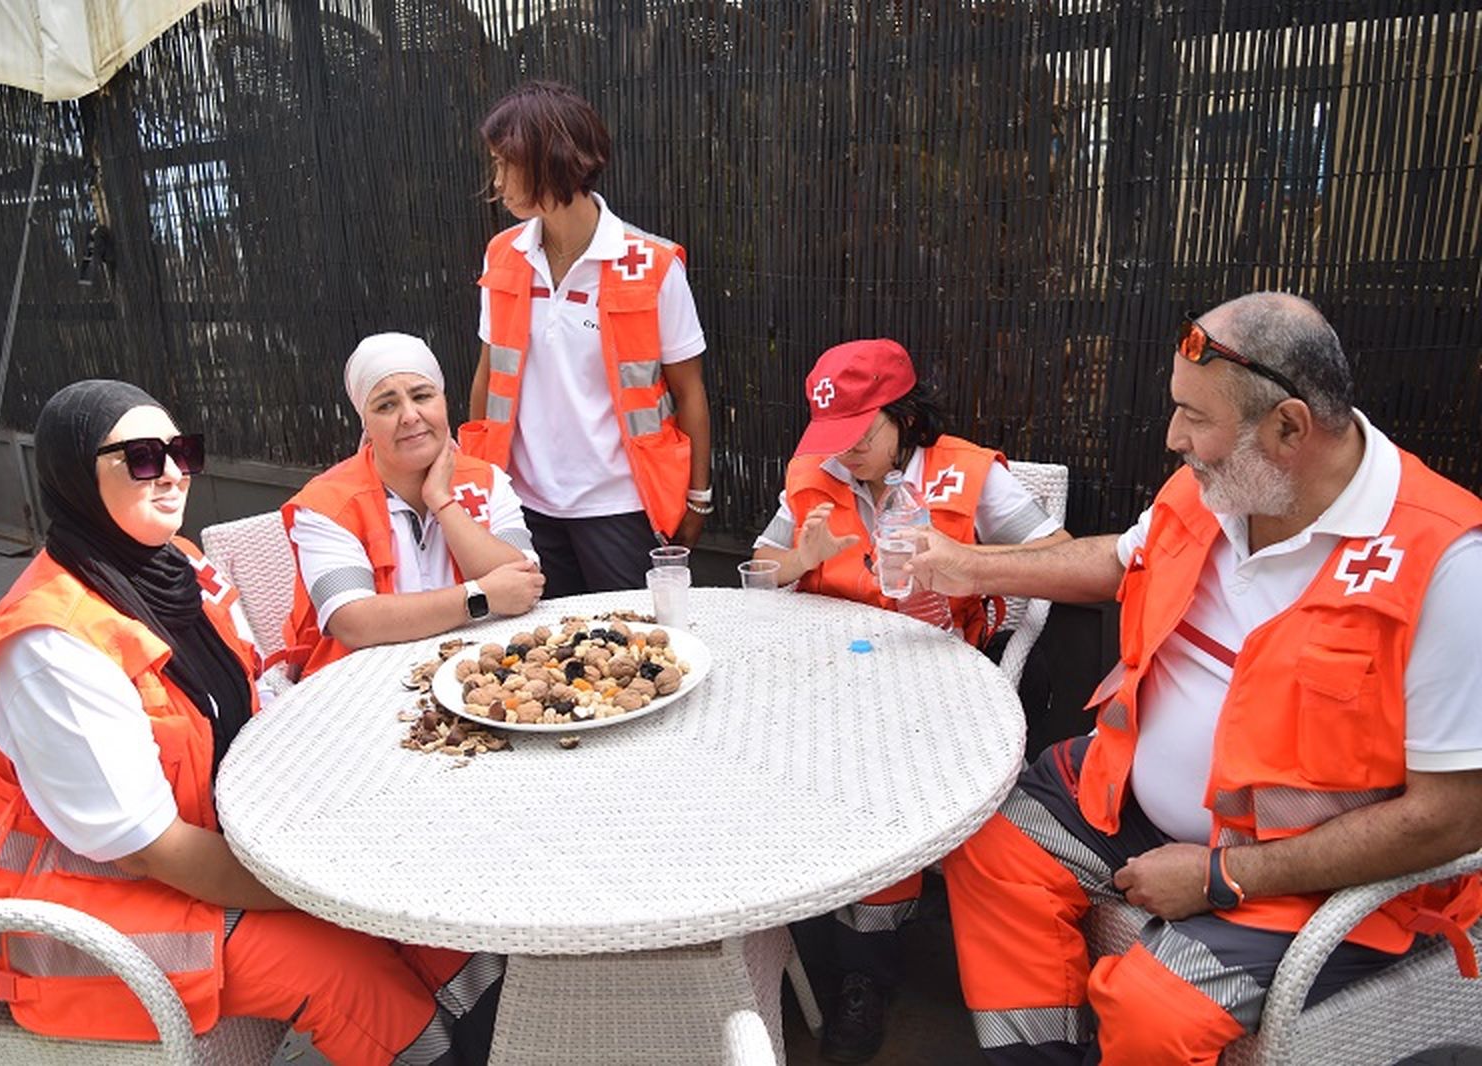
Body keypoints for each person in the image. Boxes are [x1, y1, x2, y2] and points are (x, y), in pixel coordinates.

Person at [910, 292, 1482, 1064]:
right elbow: (1116, 561)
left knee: (1154, 1010)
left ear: (1288, 427)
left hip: (1300, 873)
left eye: (1195, 417)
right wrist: (969, 565)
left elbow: (1450, 819)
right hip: (1125, 798)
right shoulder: (1219, 489)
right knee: (988, 844)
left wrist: (1222, 875)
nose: (1174, 437)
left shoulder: (1446, 565)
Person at [0, 380, 501, 1064]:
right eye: (142, 457)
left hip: (209, 847)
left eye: (181, 450)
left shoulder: (178, 568)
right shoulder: (51, 650)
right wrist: (321, 889)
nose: (171, 473)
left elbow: (249, 708)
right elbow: (150, 849)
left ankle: (498, 1043)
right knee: (343, 969)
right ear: (76, 472)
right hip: (85, 923)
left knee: (444, 925)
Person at [753, 337, 1068, 1063]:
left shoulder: (970, 474)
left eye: (862, 433)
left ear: (904, 414)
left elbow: (1062, 557)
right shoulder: (813, 473)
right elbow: (761, 571)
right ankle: (789, 933)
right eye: (835, 437)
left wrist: (965, 565)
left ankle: (865, 974)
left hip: (933, 682)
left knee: (882, 790)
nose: (847, 453)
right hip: (824, 678)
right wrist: (798, 560)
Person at [462, 79, 712, 598]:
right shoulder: (503, 254)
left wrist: (697, 499)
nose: (497, 180)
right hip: (522, 504)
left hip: (618, 504)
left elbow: (689, 390)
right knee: (538, 662)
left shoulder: (653, 265)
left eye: (506, 163)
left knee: (626, 651)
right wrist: (482, 484)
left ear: (550, 161)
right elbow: (489, 373)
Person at [282, 333, 544, 680]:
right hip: (359, 680)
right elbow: (352, 621)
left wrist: (442, 501)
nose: (409, 416)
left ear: (443, 402)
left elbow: (523, 586)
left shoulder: (488, 481)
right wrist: (478, 597)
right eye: (386, 405)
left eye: (422, 396)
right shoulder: (324, 504)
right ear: (366, 422)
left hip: (481, 672)